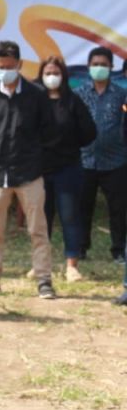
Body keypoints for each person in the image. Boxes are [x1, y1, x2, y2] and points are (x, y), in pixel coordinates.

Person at [0, 40, 57, 300]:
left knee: (37, 230)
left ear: (19, 65)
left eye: (9, 66)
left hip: (29, 173)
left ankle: (44, 280)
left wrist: (32, 154)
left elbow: (49, 130)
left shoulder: (36, 95)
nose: (5, 71)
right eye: (0, 67)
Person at [37, 56, 96, 282]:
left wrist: (70, 145)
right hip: (40, 169)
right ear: (41, 75)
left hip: (68, 168)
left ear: (63, 76)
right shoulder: (35, 101)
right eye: (48, 73)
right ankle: (41, 264)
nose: (52, 77)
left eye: (56, 73)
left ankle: (72, 265)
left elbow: (90, 132)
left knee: (70, 216)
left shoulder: (73, 101)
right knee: (42, 219)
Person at [75, 46, 127, 264]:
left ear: (111, 68)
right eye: (95, 64)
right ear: (88, 67)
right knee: (82, 207)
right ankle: (80, 249)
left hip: (115, 160)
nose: (99, 68)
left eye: (103, 65)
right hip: (85, 160)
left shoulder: (121, 94)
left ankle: (118, 251)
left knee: (119, 209)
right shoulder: (78, 94)